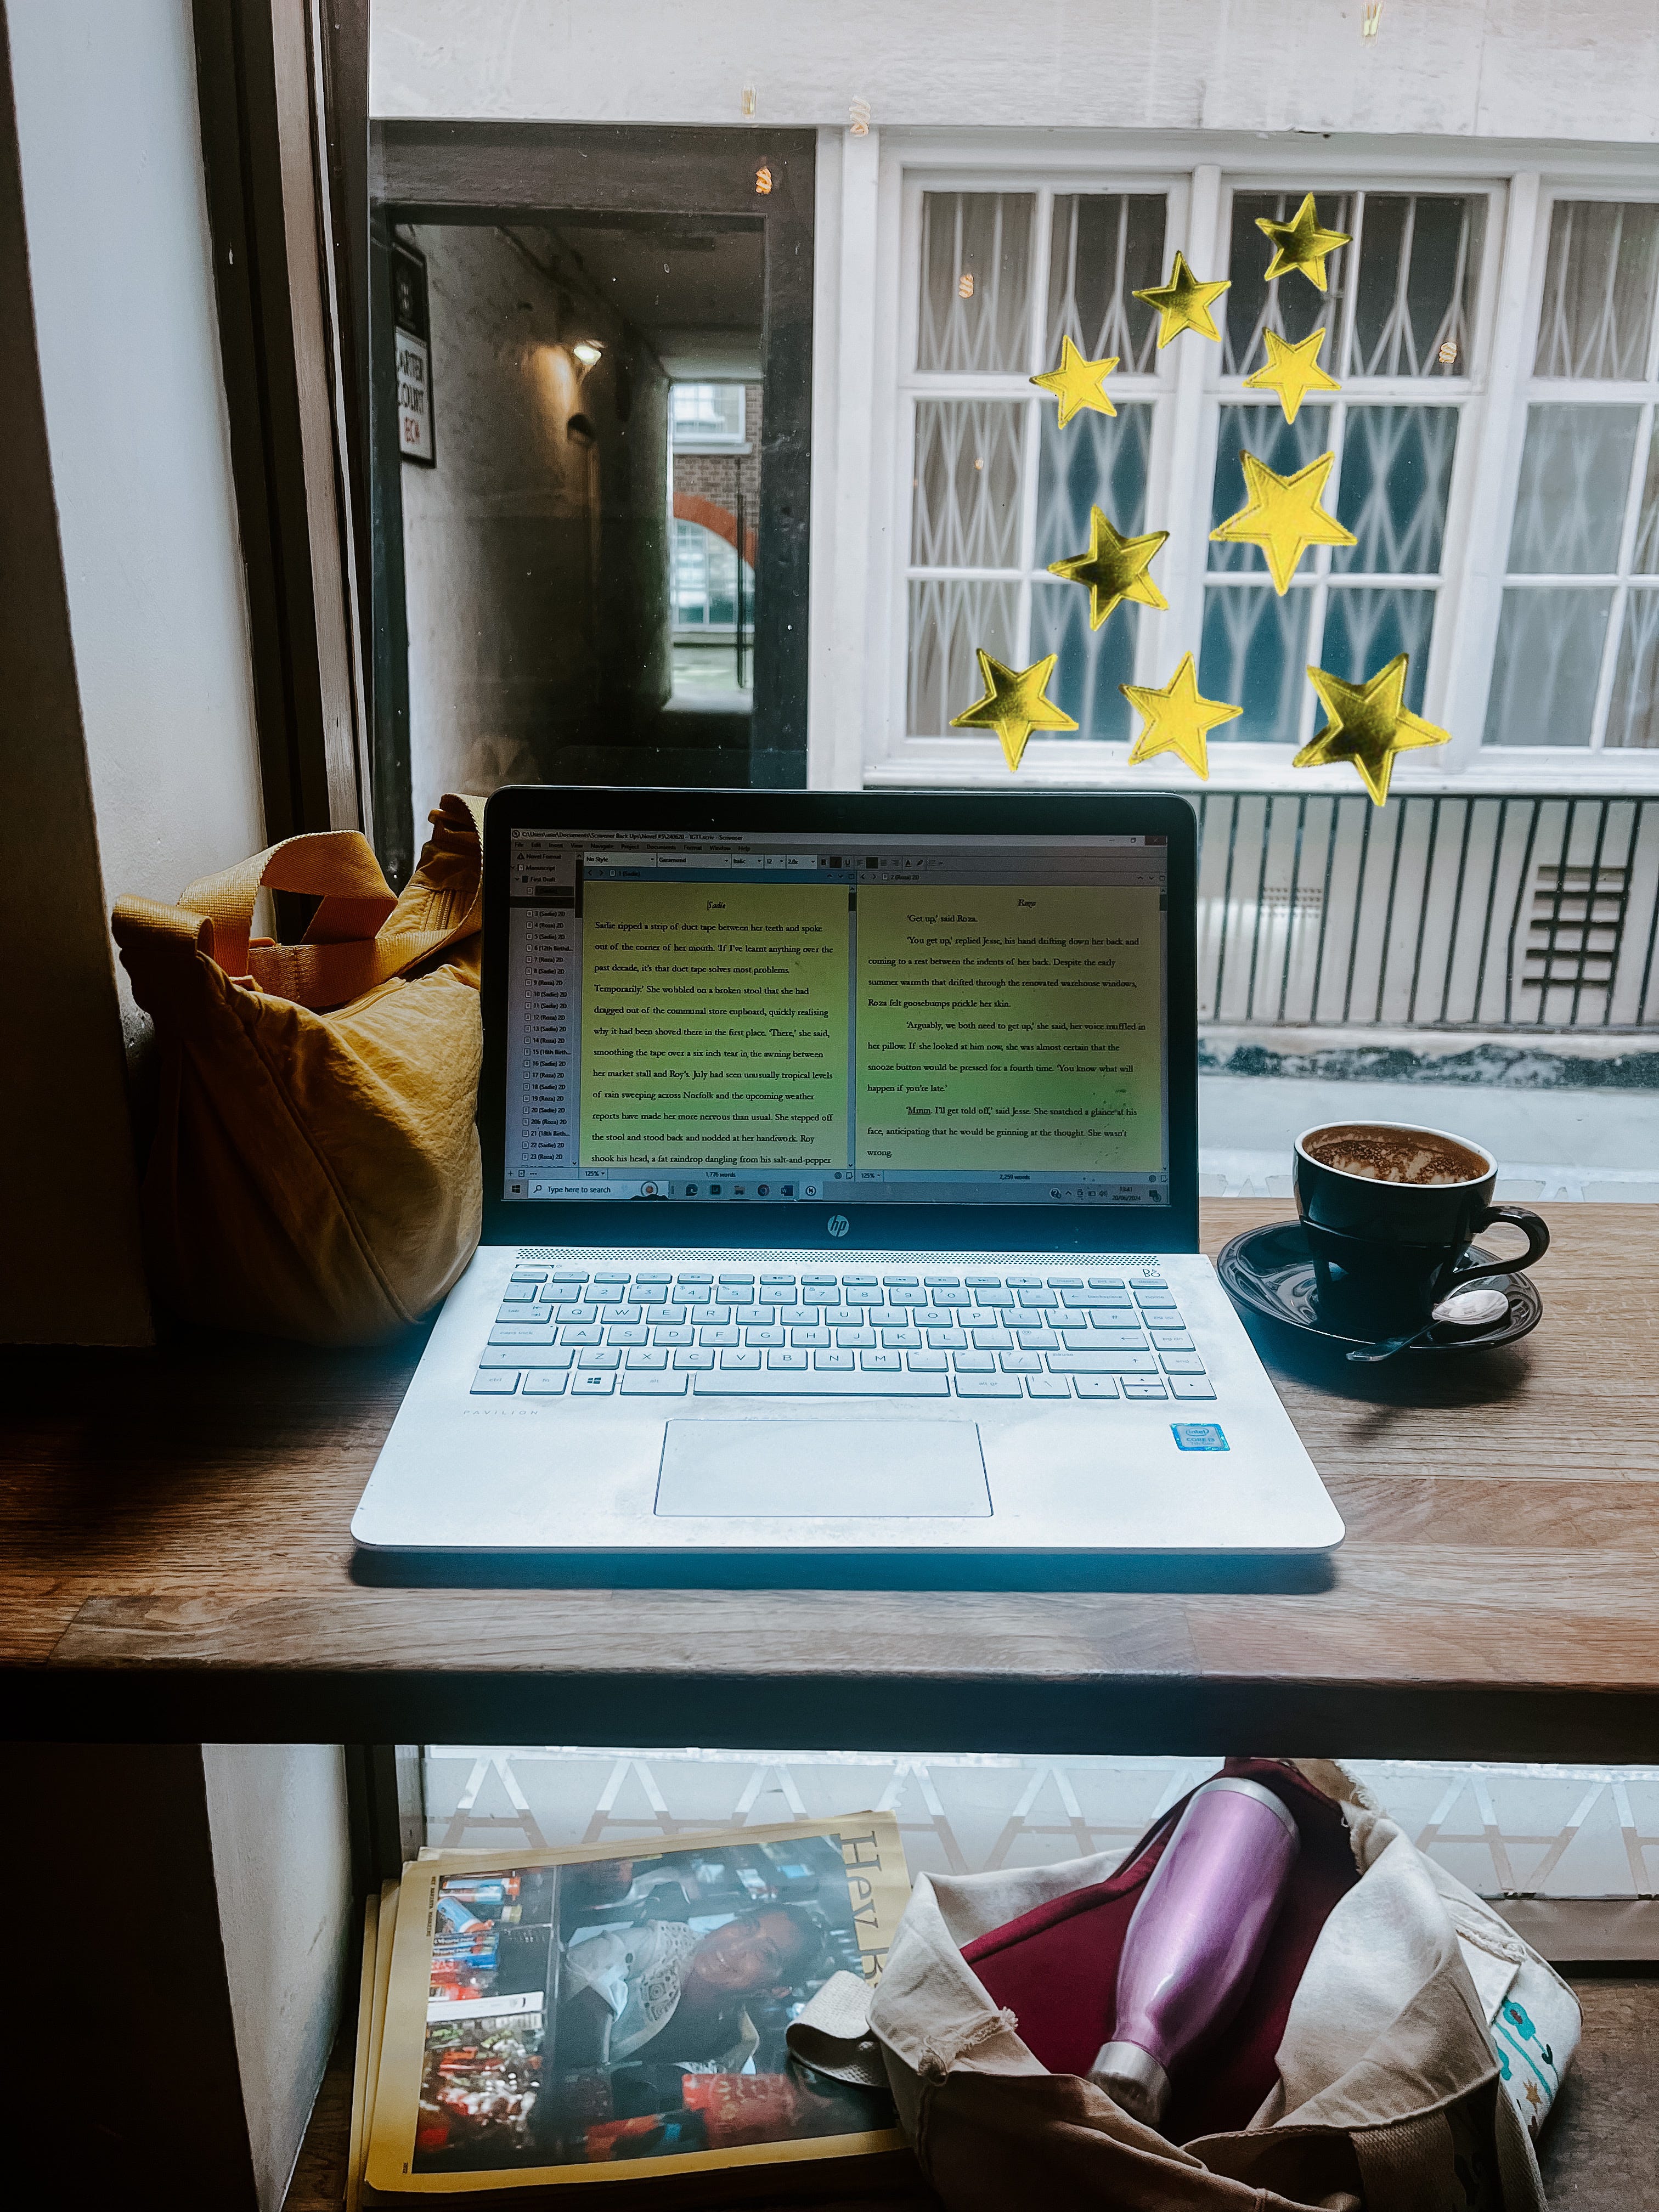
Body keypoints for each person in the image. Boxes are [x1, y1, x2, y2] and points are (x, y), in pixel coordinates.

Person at [557, 1904, 826, 2070]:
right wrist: (591, 2075)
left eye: (764, 1954)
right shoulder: (666, 1943)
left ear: (776, 1990)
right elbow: (588, 1963)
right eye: (747, 1927)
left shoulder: (735, 2046)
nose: (735, 1946)